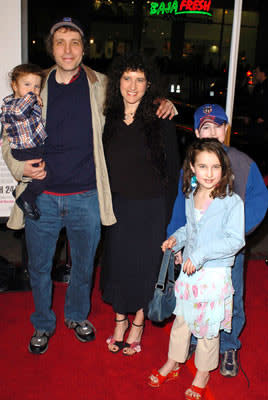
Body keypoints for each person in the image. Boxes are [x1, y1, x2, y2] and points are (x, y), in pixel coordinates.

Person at [1, 17, 176, 355]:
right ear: (51, 48)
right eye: (60, 42)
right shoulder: (36, 85)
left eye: (75, 42)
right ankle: (42, 323)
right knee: (39, 266)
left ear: (84, 48)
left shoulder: (102, 85)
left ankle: (77, 315)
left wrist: (161, 102)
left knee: (83, 264)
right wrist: (20, 166)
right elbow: (9, 135)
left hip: (87, 196)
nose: (68, 50)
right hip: (43, 198)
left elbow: (135, 94)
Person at [167, 104, 268, 377]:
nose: (212, 130)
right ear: (198, 131)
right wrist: (175, 241)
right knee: (195, 298)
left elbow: (259, 201)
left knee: (229, 298)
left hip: (227, 252)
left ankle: (229, 344)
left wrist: (237, 232)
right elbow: (181, 205)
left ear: (226, 130)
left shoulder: (244, 163)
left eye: (218, 125)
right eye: (205, 126)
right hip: (195, 247)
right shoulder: (192, 166)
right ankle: (195, 339)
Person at [148, 138, 245, 400]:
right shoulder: (192, 195)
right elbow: (191, 230)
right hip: (190, 276)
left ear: (224, 169)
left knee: (207, 329)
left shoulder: (232, 202)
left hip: (213, 276)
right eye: (203, 166)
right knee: (182, 321)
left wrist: (200, 255)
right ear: (192, 167)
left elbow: (235, 241)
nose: (210, 174)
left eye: (215, 167)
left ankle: (202, 373)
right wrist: (177, 241)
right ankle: (173, 362)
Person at [100, 54, 180, 355]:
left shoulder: (161, 121)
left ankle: (138, 323)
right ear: (118, 82)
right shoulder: (106, 119)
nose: (132, 86)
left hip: (152, 208)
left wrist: (171, 221)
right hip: (118, 206)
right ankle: (119, 320)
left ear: (148, 85)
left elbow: (173, 172)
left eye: (140, 79)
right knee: (118, 265)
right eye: (127, 78)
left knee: (146, 268)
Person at [0, 63, 48, 220]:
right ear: (14, 85)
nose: (32, 90)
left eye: (36, 86)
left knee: (47, 172)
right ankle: (25, 198)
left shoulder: (30, 103)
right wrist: (33, 97)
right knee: (44, 175)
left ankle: (22, 192)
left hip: (34, 147)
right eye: (27, 84)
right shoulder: (11, 106)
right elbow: (20, 112)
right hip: (24, 150)